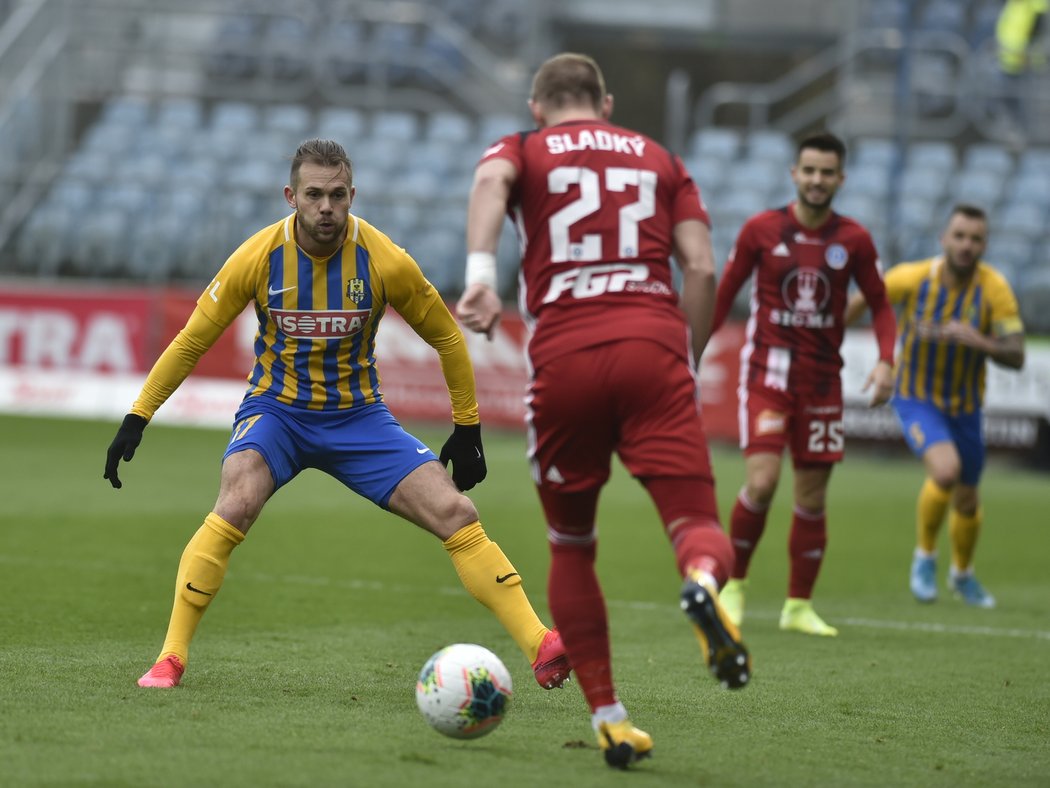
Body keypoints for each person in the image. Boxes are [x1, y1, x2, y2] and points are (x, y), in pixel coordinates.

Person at [103, 138, 570, 691]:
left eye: (338, 195)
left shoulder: (383, 259)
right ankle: (170, 658)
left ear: (353, 195)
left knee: (457, 513)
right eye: (315, 195)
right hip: (277, 413)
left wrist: (466, 426)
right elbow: (190, 342)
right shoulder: (256, 257)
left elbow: (447, 336)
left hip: (358, 419)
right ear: (291, 197)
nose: (327, 207)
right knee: (236, 502)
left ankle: (542, 645)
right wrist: (138, 416)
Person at [455, 52, 750, 770]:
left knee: (572, 543)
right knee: (700, 527)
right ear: (606, 103)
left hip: (566, 355)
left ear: (537, 106)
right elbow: (705, 268)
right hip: (653, 345)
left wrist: (481, 279)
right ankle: (704, 585)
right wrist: (688, 356)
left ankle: (611, 718)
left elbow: (492, 181)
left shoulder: (523, 148)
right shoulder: (660, 158)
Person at [711, 132, 897, 638]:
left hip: (822, 384)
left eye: (827, 172)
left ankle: (798, 606)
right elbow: (724, 294)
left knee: (812, 498)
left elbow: (880, 305)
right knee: (763, 482)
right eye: (809, 170)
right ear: (794, 173)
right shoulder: (760, 230)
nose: (817, 180)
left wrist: (886, 361)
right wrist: (688, 355)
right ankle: (734, 587)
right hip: (768, 377)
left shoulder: (854, 239)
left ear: (841, 178)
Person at [845, 204, 1025, 609]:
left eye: (975, 239)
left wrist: (977, 340)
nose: (966, 245)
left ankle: (962, 574)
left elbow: (1017, 354)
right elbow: (866, 299)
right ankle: (924, 558)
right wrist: (834, 337)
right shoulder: (913, 277)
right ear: (944, 239)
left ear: (985, 244)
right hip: (916, 397)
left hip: (965, 407)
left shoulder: (994, 289)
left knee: (967, 499)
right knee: (945, 471)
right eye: (959, 236)